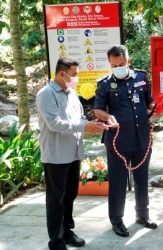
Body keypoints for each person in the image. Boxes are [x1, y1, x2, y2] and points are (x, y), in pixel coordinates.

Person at [36, 57, 107, 250]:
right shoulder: (46, 94)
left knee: (69, 196)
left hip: (74, 153)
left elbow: (81, 117)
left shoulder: (72, 93)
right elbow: (55, 123)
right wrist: (85, 126)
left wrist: (92, 124)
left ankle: (67, 232)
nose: (76, 78)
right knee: (56, 200)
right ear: (62, 74)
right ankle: (56, 241)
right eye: (74, 75)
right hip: (56, 156)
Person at [94, 45, 157, 238]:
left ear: (128, 61)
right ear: (110, 64)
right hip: (118, 141)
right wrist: (107, 118)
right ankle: (117, 220)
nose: (118, 67)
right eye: (114, 65)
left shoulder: (141, 77)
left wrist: (157, 107)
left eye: (121, 64)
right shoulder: (104, 84)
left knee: (142, 178)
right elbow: (98, 110)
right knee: (118, 182)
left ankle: (142, 215)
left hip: (142, 138)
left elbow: (149, 101)